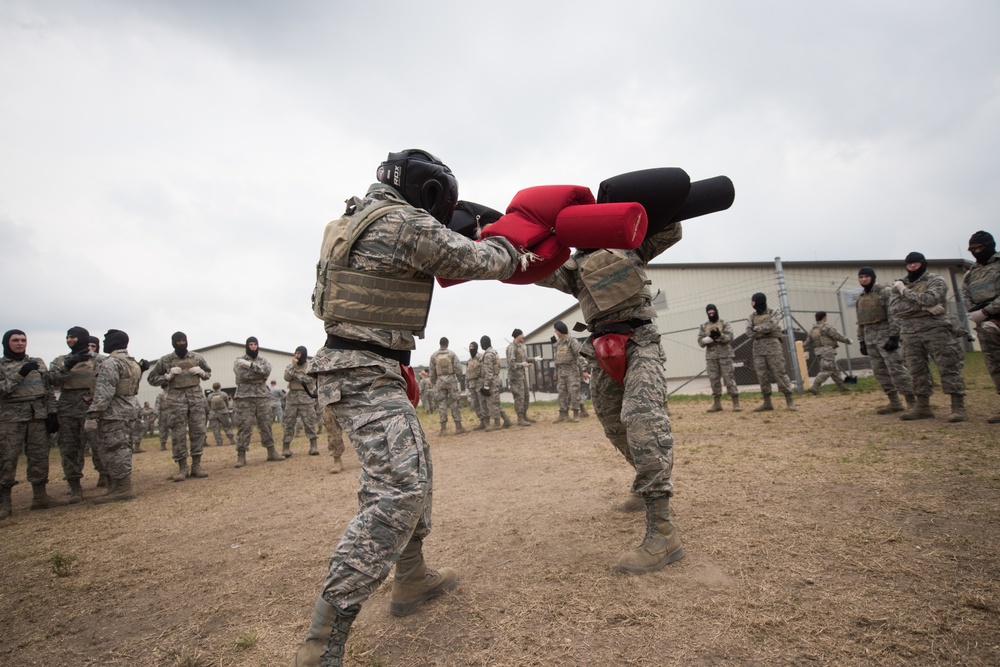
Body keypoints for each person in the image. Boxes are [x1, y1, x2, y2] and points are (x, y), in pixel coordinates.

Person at [293, 149, 526, 666]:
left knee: (415, 468)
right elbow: (478, 260)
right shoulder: (403, 223)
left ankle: (412, 575)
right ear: (428, 193)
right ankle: (321, 643)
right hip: (363, 370)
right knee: (397, 491)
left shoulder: (355, 218)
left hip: (367, 366)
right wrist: (516, 247)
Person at [536, 218, 685, 575]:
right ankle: (645, 476)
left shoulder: (632, 247)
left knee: (642, 418)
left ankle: (663, 531)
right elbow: (540, 271)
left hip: (640, 343)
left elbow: (672, 229)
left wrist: (652, 207)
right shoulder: (573, 268)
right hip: (600, 349)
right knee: (614, 424)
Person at [890, 252, 967, 422]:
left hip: (936, 330)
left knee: (948, 366)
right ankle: (923, 406)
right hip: (909, 333)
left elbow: (931, 298)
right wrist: (925, 308)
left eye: (915, 263)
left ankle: (957, 407)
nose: (912, 267)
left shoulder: (935, 280)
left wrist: (905, 293)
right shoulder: (900, 283)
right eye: (909, 264)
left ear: (923, 263)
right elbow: (896, 308)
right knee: (916, 371)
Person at [1, 329, 66, 520]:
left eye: (23, 340)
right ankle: (4, 502)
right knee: (6, 459)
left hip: (37, 416)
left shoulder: (37, 363)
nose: (20, 343)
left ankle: (40, 496)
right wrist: (20, 374)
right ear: (6, 343)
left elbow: (47, 390)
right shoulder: (2, 365)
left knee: (39, 456)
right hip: (10, 420)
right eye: (15, 340)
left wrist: (52, 413)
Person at [85, 330, 142, 504]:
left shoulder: (111, 363)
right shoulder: (132, 363)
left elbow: (104, 393)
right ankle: (116, 486)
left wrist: (92, 415)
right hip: (128, 410)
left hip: (114, 413)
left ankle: (123, 488)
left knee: (114, 450)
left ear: (114, 342)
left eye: (106, 340)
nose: (105, 343)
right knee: (121, 448)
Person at [148, 331, 212, 481]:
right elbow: (151, 379)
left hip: (195, 399)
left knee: (198, 431)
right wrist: (167, 376)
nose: (182, 343)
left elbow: (208, 373)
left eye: (184, 340)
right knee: (178, 434)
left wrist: (202, 372)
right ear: (173, 342)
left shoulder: (196, 357)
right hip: (176, 401)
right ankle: (182, 467)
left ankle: (196, 465)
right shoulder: (165, 360)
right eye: (178, 341)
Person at [855, 266, 915, 414]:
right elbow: (861, 321)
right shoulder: (861, 298)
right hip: (870, 339)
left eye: (866, 276)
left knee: (896, 369)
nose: (864, 279)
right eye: (861, 277)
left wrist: (894, 336)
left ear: (872, 277)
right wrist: (861, 340)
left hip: (885, 336)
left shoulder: (884, 292)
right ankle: (894, 402)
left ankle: (912, 402)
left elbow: (894, 314)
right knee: (880, 372)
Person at [47, 326, 97, 503]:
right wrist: (67, 365)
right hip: (68, 408)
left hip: (93, 407)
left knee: (99, 445)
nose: (70, 340)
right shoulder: (60, 361)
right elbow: (52, 381)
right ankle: (75, 486)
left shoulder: (98, 360)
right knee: (69, 448)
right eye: (68, 337)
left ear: (83, 338)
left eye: (74, 337)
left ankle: (107, 477)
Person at [961, 231, 1000, 423]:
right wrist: (976, 313)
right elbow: (967, 295)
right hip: (985, 324)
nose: (976, 252)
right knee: (995, 365)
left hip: (993, 316)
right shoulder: (970, 274)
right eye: (972, 249)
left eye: (979, 248)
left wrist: (988, 310)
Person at [233, 336, 284, 467]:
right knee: (244, 426)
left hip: (262, 397)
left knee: (266, 425)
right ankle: (241, 456)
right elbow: (242, 375)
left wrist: (250, 366)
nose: (253, 347)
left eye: (255, 344)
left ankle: (271, 452)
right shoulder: (239, 361)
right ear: (246, 346)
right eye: (250, 344)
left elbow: (266, 372)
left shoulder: (263, 360)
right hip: (244, 398)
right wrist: (258, 371)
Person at [746, 293, 797, 412]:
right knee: (762, 376)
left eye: (753, 301)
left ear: (759, 301)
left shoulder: (774, 312)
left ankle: (789, 401)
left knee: (780, 373)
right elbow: (748, 332)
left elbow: (772, 326)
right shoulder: (751, 316)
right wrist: (763, 330)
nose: (751, 304)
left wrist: (757, 329)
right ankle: (767, 403)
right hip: (758, 349)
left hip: (773, 348)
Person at [698, 304, 741, 412]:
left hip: (725, 355)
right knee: (714, 379)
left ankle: (735, 403)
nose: (711, 315)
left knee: (729, 378)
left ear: (716, 311)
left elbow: (730, 337)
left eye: (713, 312)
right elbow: (700, 341)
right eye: (709, 313)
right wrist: (708, 339)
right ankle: (717, 404)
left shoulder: (724, 323)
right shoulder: (704, 325)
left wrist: (720, 335)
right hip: (711, 357)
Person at [282, 346, 319, 457]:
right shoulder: (291, 366)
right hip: (292, 398)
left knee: (309, 423)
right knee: (288, 423)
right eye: (296, 353)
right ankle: (286, 448)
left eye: (300, 353)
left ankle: (313, 446)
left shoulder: (310, 366)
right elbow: (286, 377)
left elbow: (308, 379)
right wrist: (293, 367)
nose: (297, 355)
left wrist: (295, 375)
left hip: (306, 397)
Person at [805, 311, 853, 394]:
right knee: (826, 370)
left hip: (819, 351)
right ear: (824, 317)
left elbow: (807, 342)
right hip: (827, 351)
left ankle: (842, 387)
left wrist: (805, 350)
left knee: (834, 370)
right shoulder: (826, 327)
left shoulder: (813, 330)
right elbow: (837, 336)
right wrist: (848, 341)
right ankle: (814, 387)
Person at [552, 321, 590, 422]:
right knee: (562, 393)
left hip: (572, 372)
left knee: (574, 392)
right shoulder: (558, 344)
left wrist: (584, 370)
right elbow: (556, 359)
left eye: (556, 330)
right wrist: (555, 372)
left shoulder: (572, 341)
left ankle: (576, 413)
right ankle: (562, 414)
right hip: (561, 372)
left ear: (560, 330)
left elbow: (579, 355)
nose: (555, 331)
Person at [428, 337, 466, 435]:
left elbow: (432, 371)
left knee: (442, 404)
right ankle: (458, 427)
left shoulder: (434, 355)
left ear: (439, 344)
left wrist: (434, 382)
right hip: (451, 380)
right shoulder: (452, 354)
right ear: (447, 344)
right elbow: (458, 367)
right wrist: (459, 377)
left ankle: (443, 429)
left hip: (440, 381)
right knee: (454, 403)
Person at [479, 335, 512, 431]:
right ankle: (506, 420)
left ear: (484, 343)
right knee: (495, 402)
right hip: (495, 379)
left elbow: (488, 372)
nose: (481, 344)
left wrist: (486, 385)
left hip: (491, 381)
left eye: (481, 343)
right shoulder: (494, 352)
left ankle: (497, 423)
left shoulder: (488, 355)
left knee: (492, 403)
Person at [505, 328, 535, 426]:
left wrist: (534, 359)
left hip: (522, 376)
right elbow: (511, 364)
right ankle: (520, 418)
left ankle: (524, 415)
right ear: (517, 336)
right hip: (515, 377)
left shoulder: (521, 347)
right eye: (522, 334)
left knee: (526, 396)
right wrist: (522, 365)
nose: (523, 336)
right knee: (519, 397)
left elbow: (525, 359)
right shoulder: (511, 348)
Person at [466, 341, 488, 430]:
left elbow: (484, 370)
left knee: (482, 403)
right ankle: (481, 421)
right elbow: (467, 374)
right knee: (475, 404)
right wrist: (467, 385)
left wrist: (484, 383)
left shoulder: (481, 357)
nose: (471, 348)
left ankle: (487, 421)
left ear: (476, 347)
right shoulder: (469, 361)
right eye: (470, 346)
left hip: (479, 383)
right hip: (471, 385)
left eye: (472, 346)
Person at [322, 403, 346, 474]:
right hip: (331, 399)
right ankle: (337, 460)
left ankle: (371, 456)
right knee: (332, 428)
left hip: (355, 396)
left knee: (364, 425)